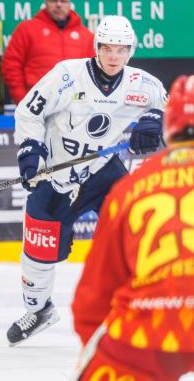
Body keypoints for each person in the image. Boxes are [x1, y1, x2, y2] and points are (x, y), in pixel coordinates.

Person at [6, 15, 167, 346]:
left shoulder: (142, 84)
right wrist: (29, 151)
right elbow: (28, 111)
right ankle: (39, 310)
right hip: (55, 176)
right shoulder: (66, 75)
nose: (113, 56)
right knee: (38, 254)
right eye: (107, 48)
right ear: (96, 47)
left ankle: (142, 308)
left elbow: (167, 106)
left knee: (135, 232)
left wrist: (153, 123)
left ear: (130, 51)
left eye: (121, 50)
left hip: (102, 171)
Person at [70, 73, 194, 380]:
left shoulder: (129, 188)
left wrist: (101, 352)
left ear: (170, 124)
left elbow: (91, 300)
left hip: (147, 330)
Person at [2, 0, 95, 104]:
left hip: (74, 106)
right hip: (36, 103)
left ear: (70, 5)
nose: (59, 4)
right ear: (46, 3)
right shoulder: (26, 29)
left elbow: (93, 71)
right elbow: (11, 66)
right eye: (53, 0)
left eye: (63, 1)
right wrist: (23, 101)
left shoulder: (85, 35)